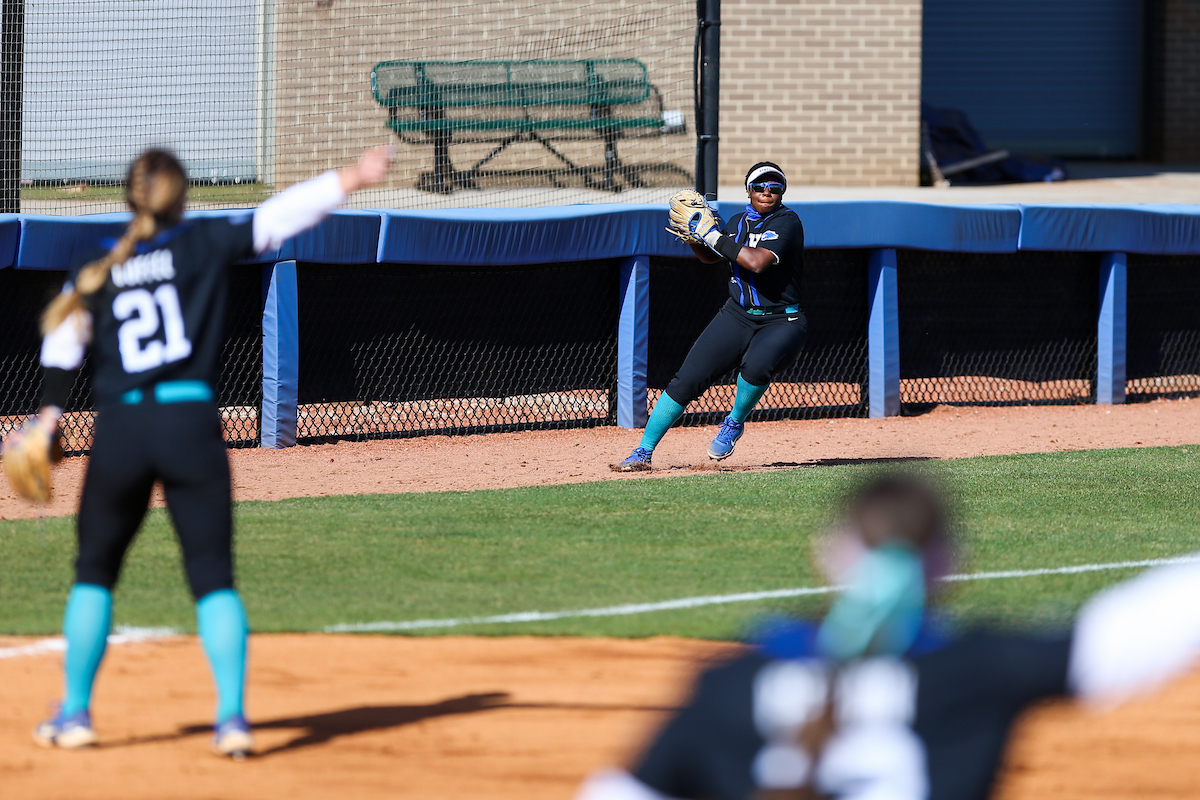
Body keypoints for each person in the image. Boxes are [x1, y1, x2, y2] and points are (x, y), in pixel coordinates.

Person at [13, 144, 393, 758]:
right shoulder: (203, 242)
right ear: (182, 197)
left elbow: (63, 345)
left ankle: (76, 713)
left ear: (130, 198)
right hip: (190, 423)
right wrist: (351, 177)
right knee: (214, 578)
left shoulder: (97, 264)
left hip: (122, 430)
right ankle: (233, 722)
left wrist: (47, 420)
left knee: (95, 574)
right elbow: (278, 217)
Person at [573, 474, 1200, 800]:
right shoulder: (978, 672)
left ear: (829, 556)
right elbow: (1141, 628)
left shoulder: (727, 686)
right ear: (948, 564)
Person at [613, 162, 805, 471]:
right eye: (759, 186)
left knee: (756, 365)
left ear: (782, 193)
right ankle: (643, 452)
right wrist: (693, 235)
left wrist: (711, 235)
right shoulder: (737, 221)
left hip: (782, 320)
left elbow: (756, 263)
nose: (767, 192)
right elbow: (710, 256)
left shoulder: (788, 222)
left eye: (775, 187)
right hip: (737, 314)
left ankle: (734, 422)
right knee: (686, 380)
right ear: (748, 190)